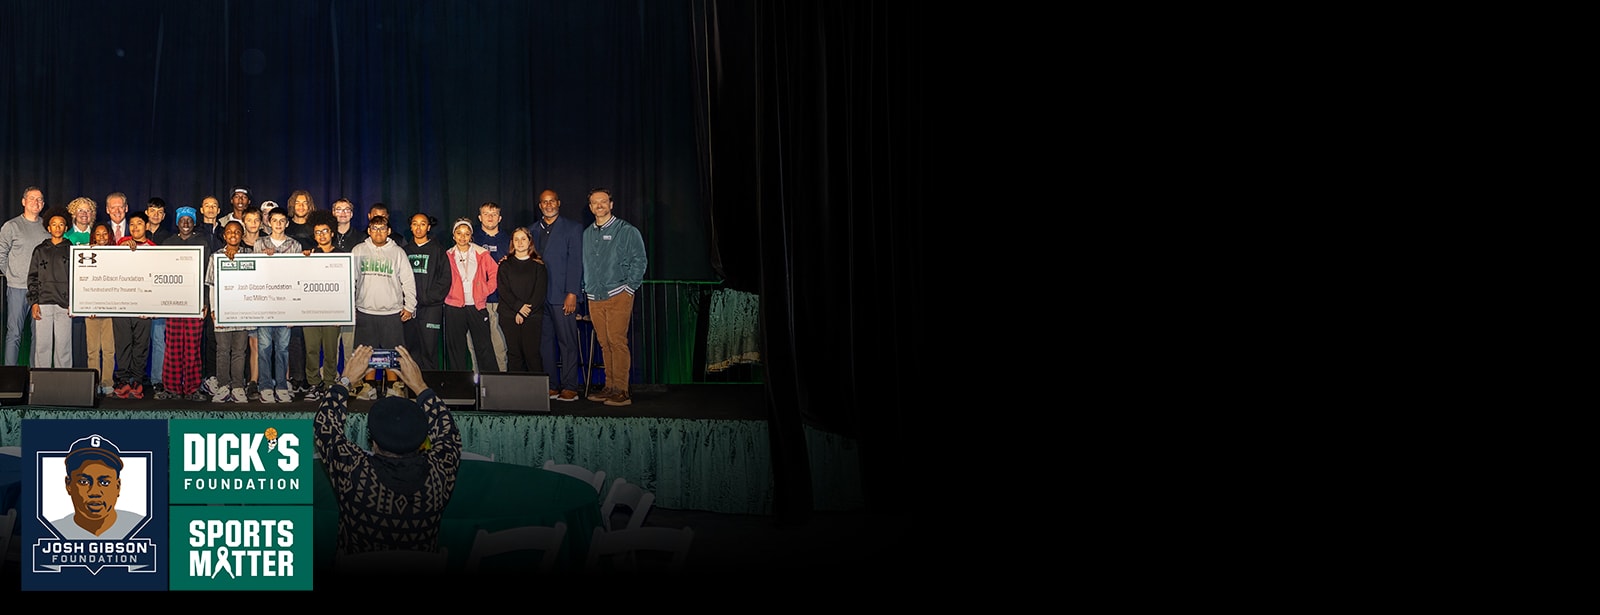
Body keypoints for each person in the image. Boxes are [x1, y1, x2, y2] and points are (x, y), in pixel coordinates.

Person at [314, 345, 460, 557]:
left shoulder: (354, 472)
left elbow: (325, 426)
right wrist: (420, 386)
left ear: (372, 440)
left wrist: (345, 381)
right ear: (422, 440)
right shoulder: (438, 474)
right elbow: (449, 433)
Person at [582, 188, 646, 407]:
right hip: (594, 295)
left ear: (611, 204)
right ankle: (609, 386)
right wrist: (586, 287)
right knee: (604, 342)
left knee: (617, 341)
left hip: (618, 293)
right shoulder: (588, 233)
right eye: (594, 202)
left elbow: (640, 260)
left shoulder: (626, 230)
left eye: (603, 201)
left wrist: (629, 288)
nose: (599, 205)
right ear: (590, 207)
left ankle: (622, 390)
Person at [349, 214, 416, 399]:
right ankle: (368, 386)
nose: (378, 232)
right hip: (365, 310)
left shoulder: (398, 252)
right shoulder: (358, 250)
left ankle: (394, 386)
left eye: (382, 229)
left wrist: (410, 306)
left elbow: (408, 281)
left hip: (391, 312)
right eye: (374, 229)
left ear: (389, 231)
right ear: (369, 231)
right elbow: (350, 280)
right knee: (366, 352)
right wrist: (350, 305)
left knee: (392, 352)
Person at [530, 189, 584, 401]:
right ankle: (551, 385)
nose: (549, 205)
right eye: (544, 202)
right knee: (544, 344)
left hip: (562, 297)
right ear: (540, 206)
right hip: (539, 298)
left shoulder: (573, 228)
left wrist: (572, 293)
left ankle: (570, 385)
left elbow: (576, 263)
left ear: (558, 203)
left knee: (567, 342)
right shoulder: (531, 230)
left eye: (552, 201)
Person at [158, 207, 211, 402]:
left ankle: (192, 388)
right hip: (173, 303)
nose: (186, 223)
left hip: (195, 303)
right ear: (177, 222)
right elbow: (159, 273)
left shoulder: (202, 243)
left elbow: (207, 275)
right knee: (172, 347)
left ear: (194, 222)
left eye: (190, 220)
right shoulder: (168, 243)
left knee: (192, 348)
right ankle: (171, 387)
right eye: (183, 220)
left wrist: (205, 302)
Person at [51, 434, 147, 540]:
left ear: (118, 487)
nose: (94, 492)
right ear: (69, 485)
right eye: (84, 482)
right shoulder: (53, 532)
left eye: (105, 483)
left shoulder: (142, 527)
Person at [253, 208, 302, 403]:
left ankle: (281, 384)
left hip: (286, 305)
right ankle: (265, 385)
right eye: (275, 221)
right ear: (269, 223)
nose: (279, 224)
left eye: (282, 221)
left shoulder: (295, 245)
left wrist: (295, 311)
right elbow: (254, 274)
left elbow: (299, 277)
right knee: (264, 347)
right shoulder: (259, 244)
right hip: (265, 304)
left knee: (283, 348)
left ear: (287, 223)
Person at [206, 221, 253, 403]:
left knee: (240, 351)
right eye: (229, 232)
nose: (233, 235)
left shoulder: (250, 255)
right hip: (222, 311)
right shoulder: (215, 256)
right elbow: (211, 286)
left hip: (242, 312)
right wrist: (213, 309)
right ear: (224, 236)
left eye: (237, 232)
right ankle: (223, 385)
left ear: (242, 235)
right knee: (223, 350)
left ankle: (238, 386)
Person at [444, 218, 499, 376]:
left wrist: (484, 290)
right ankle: (459, 387)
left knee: (484, 347)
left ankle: (490, 385)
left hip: (477, 306)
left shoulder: (481, 253)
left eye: (466, 234)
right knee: (456, 349)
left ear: (471, 236)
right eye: (459, 233)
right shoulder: (447, 255)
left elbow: (495, 274)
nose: (463, 237)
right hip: (454, 307)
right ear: (454, 235)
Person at [0, 186, 48, 365]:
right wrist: (12, 275)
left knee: (39, 337)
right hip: (17, 288)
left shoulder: (47, 227)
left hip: (41, 291)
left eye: (40, 199)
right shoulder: (11, 226)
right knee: (14, 334)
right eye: (32, 198)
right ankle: (9, 379)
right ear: (23, 201)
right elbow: (1, 254)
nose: (36, 202)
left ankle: (35, 377)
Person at [300, 211, 344, 400]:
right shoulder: (308, 255)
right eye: (318, 232)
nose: (322, 235)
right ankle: (313, 383)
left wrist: (342, 312)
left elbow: (346, 285)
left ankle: (329, 383)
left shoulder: (342, 256)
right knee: (311, 348)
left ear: (332, 232)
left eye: (325, 231)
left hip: (332, 311)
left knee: (330, 349)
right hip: (310, 310)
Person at [112, 212, 158, 398]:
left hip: (143, 307)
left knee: (141, 345)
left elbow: (157, 279)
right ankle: (123, 380)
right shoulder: (121, 244)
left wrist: (153, 307)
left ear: (146, 226)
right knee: (122, 343)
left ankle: (137, 381)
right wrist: (121, 248)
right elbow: (109, 264)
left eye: (139, 223)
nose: (135, 227)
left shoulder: (155, 249)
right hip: (122, 304)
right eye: (132, 224)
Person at [402, 213, 451, 371]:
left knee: (429, 350)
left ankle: (430, 387)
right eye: (415, 224)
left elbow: (445, 280)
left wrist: (426, 298)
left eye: (422, 224)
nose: (418, 227)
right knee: (410, 350)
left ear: (428, 227)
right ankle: (411, 388)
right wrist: (407, 302)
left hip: (431, 309)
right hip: (409, 309)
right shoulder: (404, 251)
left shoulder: (438, 250)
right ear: (410, 227)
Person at [26, 207, 73, 369]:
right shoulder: (40, 250)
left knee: (64, 347)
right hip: (43, 303)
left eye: (61, 224)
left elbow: (76, 278)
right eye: (54, 224)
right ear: (48, 227)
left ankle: (64, 381)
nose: (58, 227)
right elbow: (32, 277)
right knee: (43, 346)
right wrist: (34, 302)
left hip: (64, 304)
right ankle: (41, 381)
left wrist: (74, 302)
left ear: (66, 228)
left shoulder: (72, 250)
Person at [497, 227, 547, 374]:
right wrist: (518, 308)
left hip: (532, 316)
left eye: (523, 239)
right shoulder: (505, 265)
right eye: (516, 239)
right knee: (514, 355)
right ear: (512, 242)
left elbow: (539, 293)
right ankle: (514, 393)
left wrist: (524, 312)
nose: (520, 242)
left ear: (529, 241)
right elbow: (504, 290)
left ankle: (536, 393)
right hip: (509, 315)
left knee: (532, 354)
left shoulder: (539, 266)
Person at [471, 201, 511, 371]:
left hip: (500, 299)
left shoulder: (509, 240)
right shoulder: (471, 238)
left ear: (500, 218)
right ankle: (476, 382)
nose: (490, 217)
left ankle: (502, 380)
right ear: (480, 217)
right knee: (473, 343)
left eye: (494, 214)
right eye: (486, 214)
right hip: (475, 299)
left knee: (499, 343)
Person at [65, 197, 98, 370]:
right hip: (76, 292)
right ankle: (75, 372)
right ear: (73, 213)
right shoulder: (66, 236)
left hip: (96, 291)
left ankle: (93, 374)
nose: (84, 214)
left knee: (93, 339)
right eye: (80, 210)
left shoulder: (98, 234)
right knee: (76, 336)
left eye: (88, 210)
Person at [85, 224, 116, 396]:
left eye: (105, 234)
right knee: (93, 350)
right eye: (98, 234)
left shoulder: (117, 254)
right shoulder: (85, 255)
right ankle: (94, 383)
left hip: (111, 310)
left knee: (109, 349)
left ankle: (107, 383)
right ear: (94, 237)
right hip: (91, 310)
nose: (102, 237)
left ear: (109, 236)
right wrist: (84, 305)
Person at [144, 197, 170, 396]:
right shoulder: (134, 234)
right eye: (153, 210)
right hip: (137, 296)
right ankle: (135, 377)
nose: (156, 215)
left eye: (160, 212)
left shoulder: (169, 238)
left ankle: (157, 379)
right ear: (146, 212)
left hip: (159, 296)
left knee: (159, 339)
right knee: (137, 340)